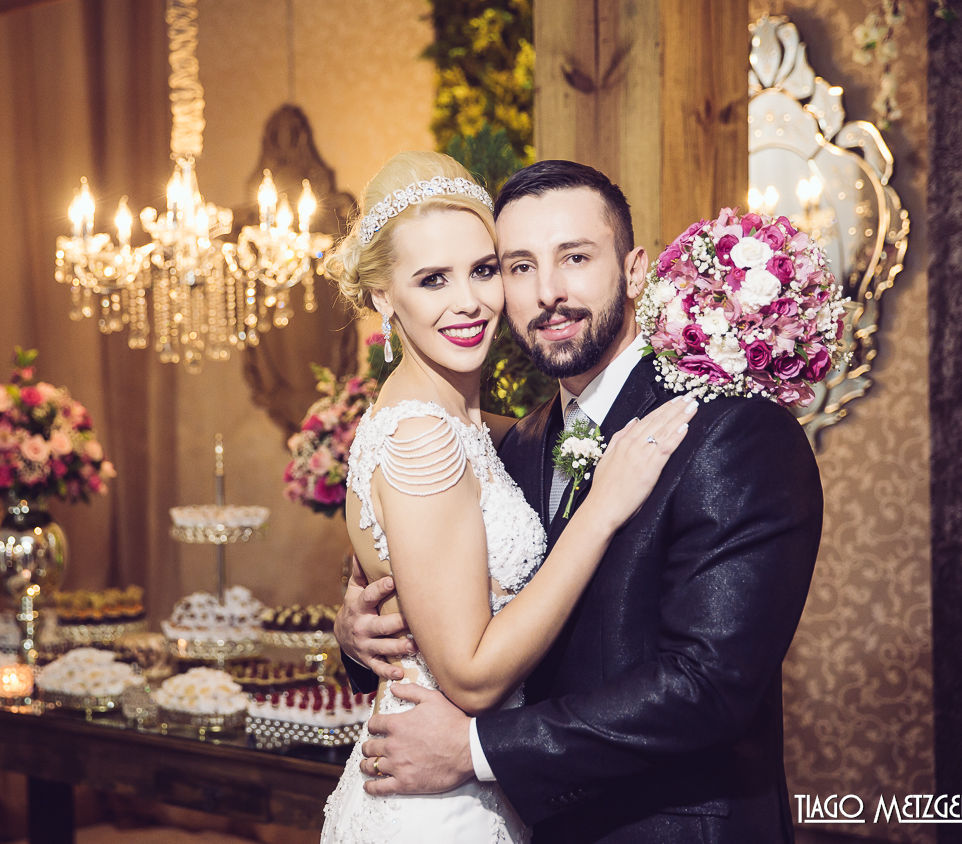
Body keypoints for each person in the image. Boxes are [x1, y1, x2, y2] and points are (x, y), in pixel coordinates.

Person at [337, 160, 825, 843]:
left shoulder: (732, 431)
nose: (549, 293)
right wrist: (361, 634)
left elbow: (708, 686)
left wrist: (479, 749)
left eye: (575, 257)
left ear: (633, 272)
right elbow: (461, 593)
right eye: (517, 265)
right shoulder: (515, 444)